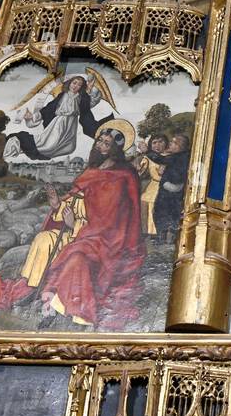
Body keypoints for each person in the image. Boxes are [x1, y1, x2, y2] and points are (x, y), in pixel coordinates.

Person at [26, 122, 145, 329]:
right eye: (100, 140)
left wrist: (80, 228)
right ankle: (33, 288)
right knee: (43, 239)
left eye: (107, 143)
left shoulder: (125, 175)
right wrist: (57, 206)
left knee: (77, 258)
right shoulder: (90, 172)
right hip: (80, 231)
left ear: (115, 149)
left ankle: (57, 305)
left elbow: (127, 211)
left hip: (108, 236)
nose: (101, 145)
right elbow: (72, 201)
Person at [4, 74, 108, 162]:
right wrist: (33, 116)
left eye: (79, 85)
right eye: (74, 83)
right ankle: (17, 144)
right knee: (49, 145)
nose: (75, 86)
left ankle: (22, 148)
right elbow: (49, 108)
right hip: (59, 123)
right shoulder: (62, 95)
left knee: (69, 148)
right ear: (70, 83)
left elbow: (89, 105)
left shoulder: (81, 98)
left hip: (71, 125)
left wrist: (89, 90)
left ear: (81, 88)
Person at [144, 132, 189, 242]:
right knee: (173, 213)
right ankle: (169, 237)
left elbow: (159, 159)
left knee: (160, 212)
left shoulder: (176, 157)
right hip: (178, 189)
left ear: (180, 146)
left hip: (168, 188)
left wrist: (146, 151)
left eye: (173, 143)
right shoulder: (184, 156)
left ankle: (162, 237)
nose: (170, 144)